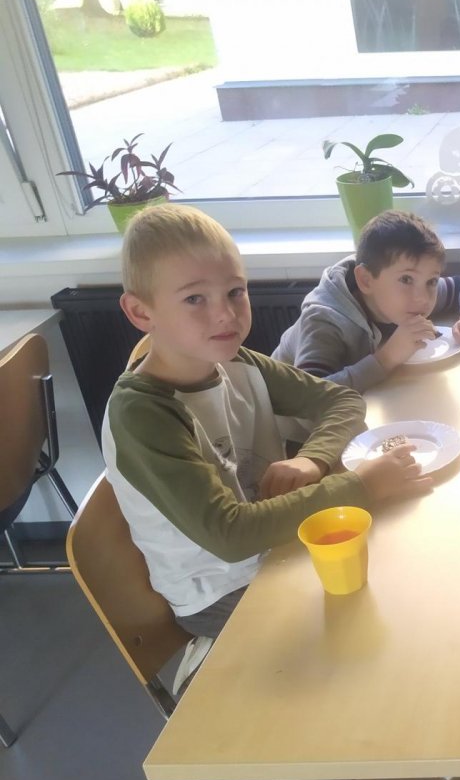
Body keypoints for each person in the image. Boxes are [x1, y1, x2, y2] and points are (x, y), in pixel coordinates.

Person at [104, 204, 433, 640]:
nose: (226, 314)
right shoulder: (142, 413)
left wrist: (312, 460)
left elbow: (341, 400)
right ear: (141, 313)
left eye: (235, 292)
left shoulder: (237, 362)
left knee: (410, 568)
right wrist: (363, 486)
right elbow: (230, 535)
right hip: (221, 589)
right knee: (380, 617)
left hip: (277, 543)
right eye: (195, 299)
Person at [273, 210, 460, 392]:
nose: (423, 298)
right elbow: (308, 398)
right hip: (284, 425)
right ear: (366, 280)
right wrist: (386, 359)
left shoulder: (403, 296)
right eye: (406, 279)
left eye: (432, 281)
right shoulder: (323, 321)